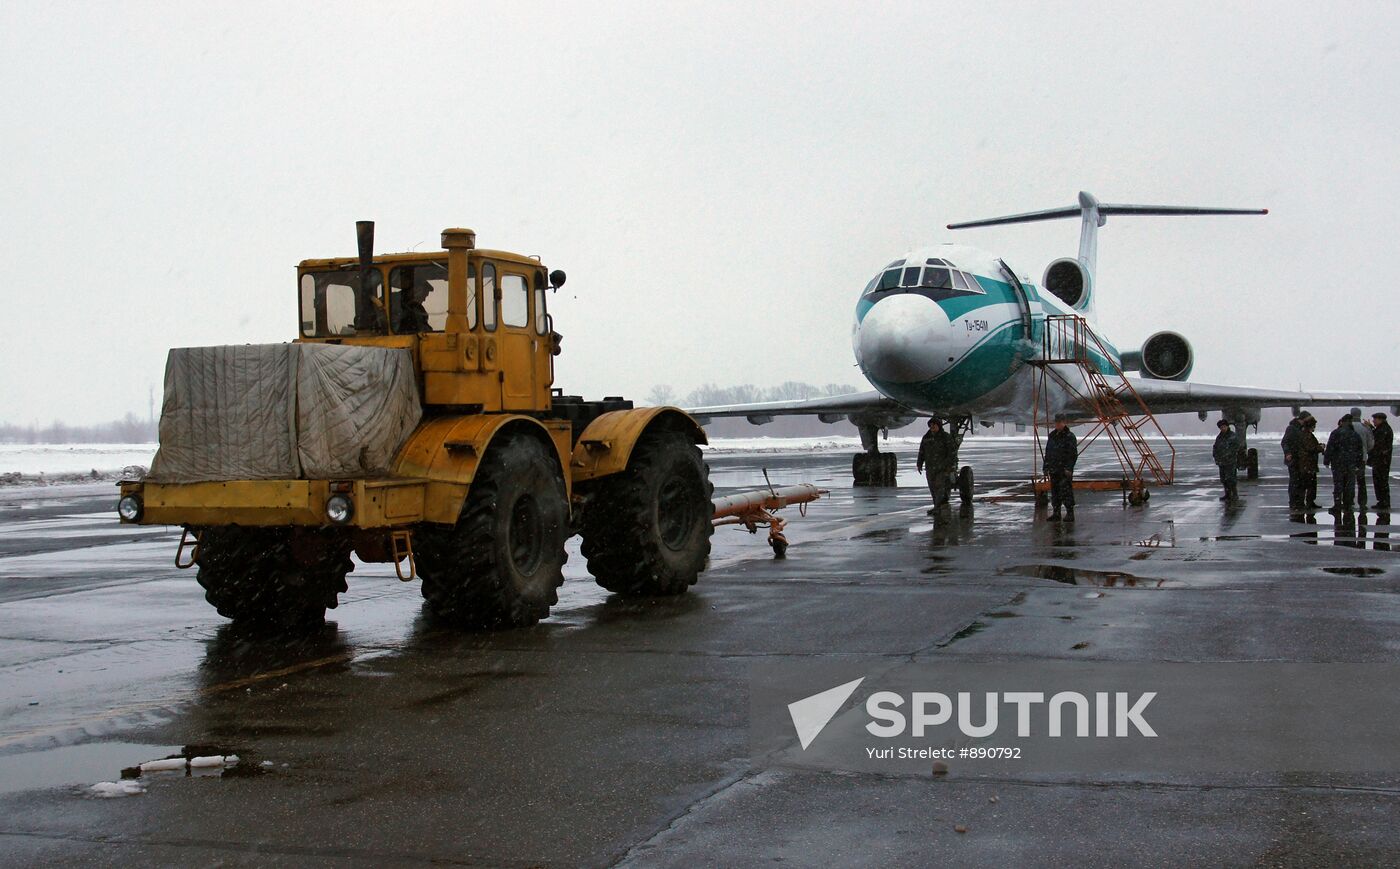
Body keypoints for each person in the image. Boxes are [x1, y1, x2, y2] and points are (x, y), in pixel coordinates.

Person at [1324, 414, 1364, 513]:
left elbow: (1330, 448)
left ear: (1342, 422)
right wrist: (1358, 463)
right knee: (1349, 484)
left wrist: (1327, 460)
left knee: (1338, 484)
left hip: (1337, 463)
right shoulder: (1354, 434)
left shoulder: (1336, 433)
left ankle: (1337, 505)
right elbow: (1360, 450)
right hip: (1350, 463)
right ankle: (1348, 504)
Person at [916, 418, 956, 517]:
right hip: (930, 468)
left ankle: (939, 507)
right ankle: (936, 506)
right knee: (932, 488)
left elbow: (952, 453)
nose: (932, 427)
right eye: (931, 425)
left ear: (939, 426)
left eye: (934, 425)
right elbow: (922, 451)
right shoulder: (926, 437)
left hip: (942, 468)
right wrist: (919, 463)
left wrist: (949, 466)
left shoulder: (945, 437)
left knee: (940, 487)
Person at [1043, 417, 1078, 522]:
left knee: (1066, 491)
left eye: (1060, 423)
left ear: (1064, 423)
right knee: (1055, 492)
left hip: (1064, 469)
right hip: (1054, 468)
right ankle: (1056, 513)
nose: (1057, 425)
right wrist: (1046, 467)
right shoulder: (1052, 436)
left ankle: (1070, 513)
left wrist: (1069, 468)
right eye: (1056, 423)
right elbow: (1048, 452)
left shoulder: (1069, 436)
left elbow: (1073, 454)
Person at [1280, 411, 1311, 514]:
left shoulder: (1300, 429)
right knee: (1295, 481)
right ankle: (1294, 502)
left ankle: (1299, 502)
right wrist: (1288, 453)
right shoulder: (1292, 429)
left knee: (1300, 481)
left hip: (1300, 459)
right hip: (1294, 459)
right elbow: (1285, 442)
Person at [1350, 407, 1375, 507]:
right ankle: (1362, 502)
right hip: (1362, 458)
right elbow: (1371, 444)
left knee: (1349, 481)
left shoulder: (1348, 427)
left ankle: (1349, 501)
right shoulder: (1365, 428)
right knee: (1361, 482)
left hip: (1349, 458)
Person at [1213, 419, 1241, 506]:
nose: (1223, 428)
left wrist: (1228, 455)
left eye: (1224, 427)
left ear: (1227, 426)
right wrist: (1216, 457)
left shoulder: (1232, 436)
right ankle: (1227, 494)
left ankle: (1234, 494)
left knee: (1231, 478)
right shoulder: (1219, 437)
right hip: (1222, 462)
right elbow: (1215, 447)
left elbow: (1235, 447)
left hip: (1230, 461)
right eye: (1221, 427)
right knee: (1224, 479)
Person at [1299, 415, 1324, 511]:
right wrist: (1320, 448)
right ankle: (1308, 502)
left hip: (1307, 464)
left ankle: (1307, 502)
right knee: (1310, 485)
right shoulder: (1307, 435)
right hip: (1308, 464)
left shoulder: (1305, 434)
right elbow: (1310, 448)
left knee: (1307, 485)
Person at [1370, 412, 1393, 509]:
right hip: (1382, 460)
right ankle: (1383, 501)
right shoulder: (1383, 429)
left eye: (1375, 419)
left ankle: (1383, 501)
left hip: (1381, 460)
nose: (1373, 421)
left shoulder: (1383, 430)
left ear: (1380, 419)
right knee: (1381, 481)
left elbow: (1378, 443)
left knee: (1381, 481)